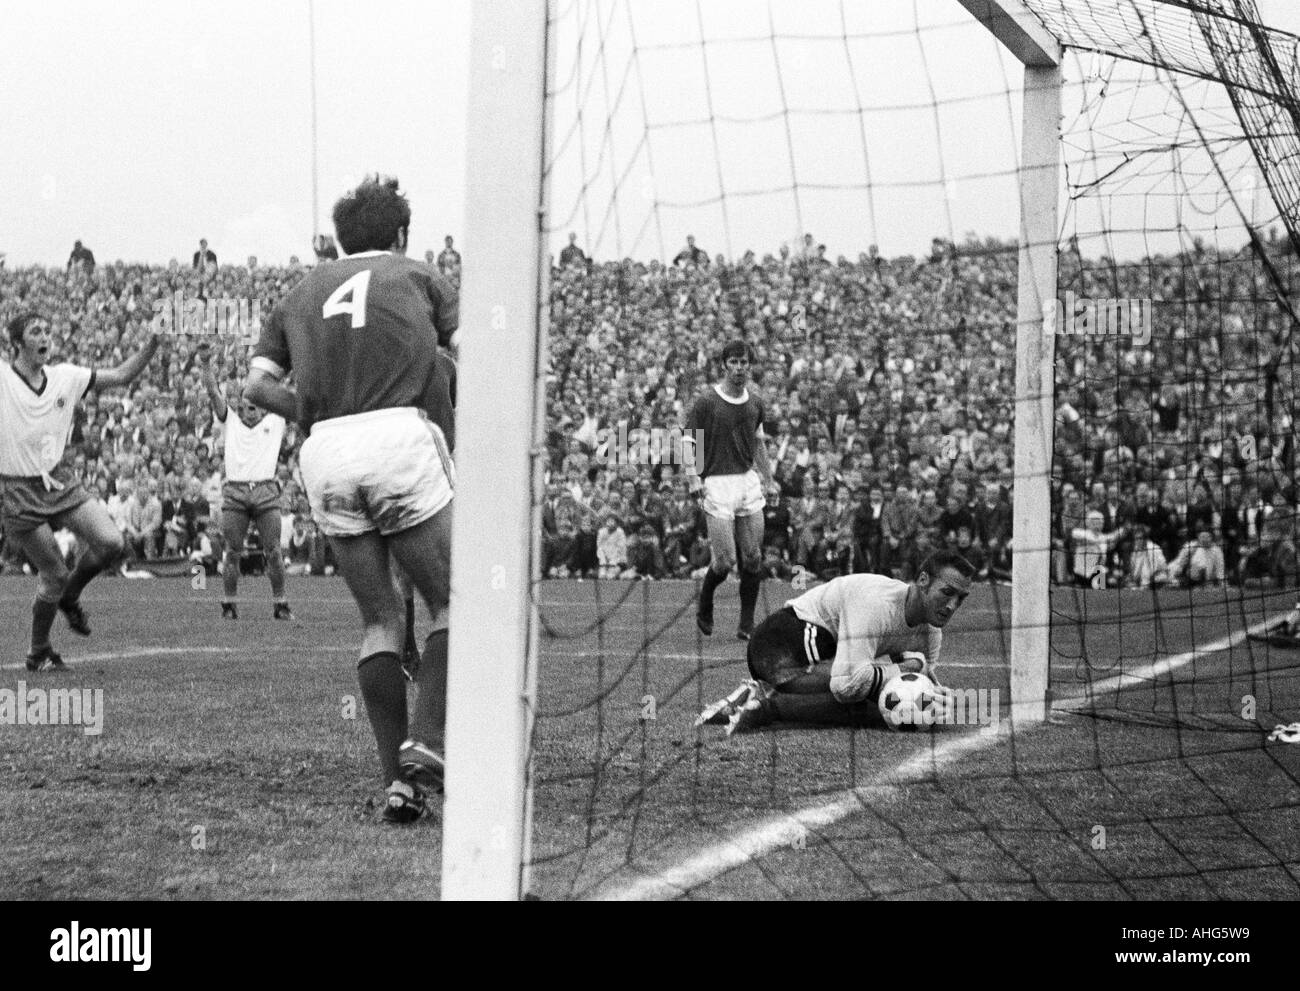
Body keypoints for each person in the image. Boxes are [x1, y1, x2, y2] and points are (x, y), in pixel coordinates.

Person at [244, 174, 458, 825]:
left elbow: (256, 388)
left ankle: (399, 783)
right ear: (399, 234)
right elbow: (464, 356)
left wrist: (314, 408)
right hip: (398, 436)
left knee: (381, 621)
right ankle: (429, 739)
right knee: (456, 601)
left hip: (326, 452)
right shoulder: (419, 275)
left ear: (343, 237)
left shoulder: (297, 293)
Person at [1, 312, 161, 670]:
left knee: (111, 542)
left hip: (59, 481)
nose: (45, 336)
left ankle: (70, 596)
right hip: (17, 488)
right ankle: (37, 649)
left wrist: (152, 344)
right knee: (53, 573)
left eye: (47, 329)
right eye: (35, 331)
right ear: (16, 344)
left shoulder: (65, 377)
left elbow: (121, 375)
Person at [696, 550, 974, 734]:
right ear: (923, 580)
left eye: (960, 598)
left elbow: (920, 677)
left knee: (872, 708)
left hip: (816, 653)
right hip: (783, 643)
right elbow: (846, 686)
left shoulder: (932, 631)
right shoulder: (878, 603)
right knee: (859, 697)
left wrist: (935, 698)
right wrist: (908, 667)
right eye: (947, 593)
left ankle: (755, 699)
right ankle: (766, 706)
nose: (952, 606)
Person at [684, 340, 772, 640]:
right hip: (717, 482)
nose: (739, 368)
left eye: (744, 362)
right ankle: (706, 598)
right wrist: (694, 478)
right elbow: (690, 441)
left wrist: (769, 478)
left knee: (753, 557)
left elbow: (758, 442)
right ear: (724, 365)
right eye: (733, 362)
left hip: (747, 480)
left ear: (750, 366)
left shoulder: (756, 403)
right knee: (725, 561)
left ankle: (746, 624)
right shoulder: (707, 401)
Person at [197, 343, 292, 621]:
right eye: (246, 406)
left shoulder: (275, 422)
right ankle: (229, 604)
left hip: (264, 489)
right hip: (236, 491)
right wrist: (205, 365)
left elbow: (289, 395)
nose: (250, 410)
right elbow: (213, 393)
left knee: (273, 551)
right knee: (232, 552)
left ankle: (280, 603)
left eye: (255, 406)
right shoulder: (231, 422)